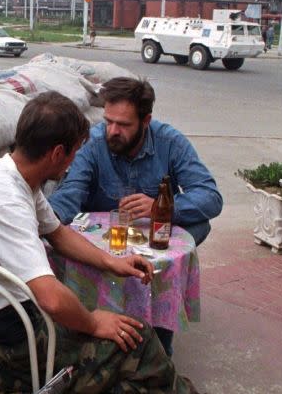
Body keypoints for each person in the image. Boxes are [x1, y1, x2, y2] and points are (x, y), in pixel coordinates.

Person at [0, 91, 197, 393]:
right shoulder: (4, 199)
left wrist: (113, 262)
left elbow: (58, 234)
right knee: (138, 338)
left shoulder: (17, 177)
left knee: (120, 339)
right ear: (57, 153)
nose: (73, 162)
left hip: (9, 320)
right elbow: (51, 299)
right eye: (74, 152)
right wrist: (92, 322)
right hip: (0, 345)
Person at [48, 77, 222, 357]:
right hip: (104, 241)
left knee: (198, 224)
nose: (112, 131)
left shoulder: (170, 142)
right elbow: (71, 190)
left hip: (152, 241)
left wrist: (161, 208)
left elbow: (211, 197)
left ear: (146, 120)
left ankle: (160, 346)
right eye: (109, 121)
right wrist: (46, 220)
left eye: (124, 125)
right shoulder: (93, 143)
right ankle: (89, 333)